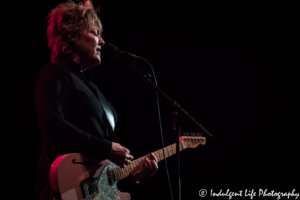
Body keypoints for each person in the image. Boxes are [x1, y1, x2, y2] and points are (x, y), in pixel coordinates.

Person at [34, 1, 158, 199]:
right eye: (94, 33)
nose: (101, 41)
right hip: (64, 189)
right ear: (71, 36)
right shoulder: (55, 73)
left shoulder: (92, 88)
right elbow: (52, 123)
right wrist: (106, 148)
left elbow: (100, 168)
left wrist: (132, 175)